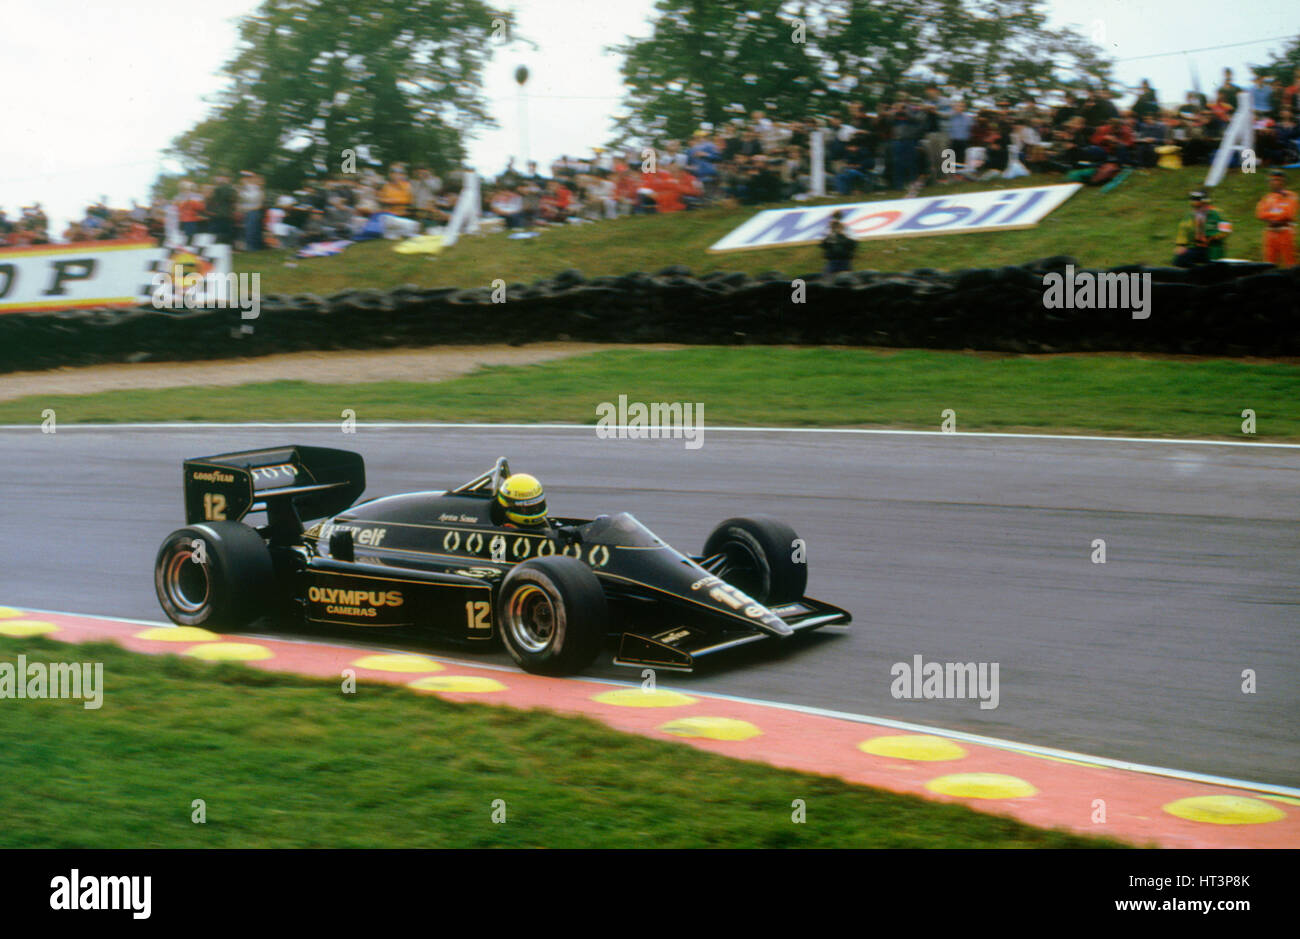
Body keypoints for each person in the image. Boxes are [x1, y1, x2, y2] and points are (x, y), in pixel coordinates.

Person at [1174, 190, 1230, 267]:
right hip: (1195, 247)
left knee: (1213, 266)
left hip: (1212, 248)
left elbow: (1226, 230)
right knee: (1180, 260)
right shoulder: (1190, 216)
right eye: (1195, 207)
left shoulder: (1218, 214)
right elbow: (1183, 230)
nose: (1197, 209)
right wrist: (1181, 245)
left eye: (1199, 206)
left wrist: (1212, 237)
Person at [1255, 169, 1297, 268]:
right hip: (1270, 232)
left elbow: (1288, 214)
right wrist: (1277, 216)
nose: (1275, 182)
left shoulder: (1291, 196)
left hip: (1285, 232)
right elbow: (1260, 214)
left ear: (1283, 181)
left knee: (1289, 262)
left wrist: (1270, 215)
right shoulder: (1266, 198)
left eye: (1278, 180)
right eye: (1272, 180)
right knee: (1268, 262)